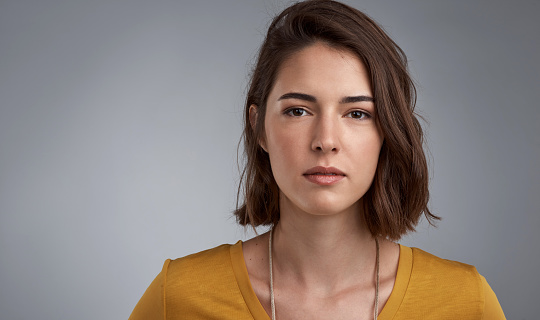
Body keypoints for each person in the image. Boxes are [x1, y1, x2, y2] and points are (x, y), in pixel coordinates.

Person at [129, 1, 506, 319]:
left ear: (387, 132)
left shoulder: (466, 302)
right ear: (259, 127)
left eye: (357, 113)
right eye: (298, 111)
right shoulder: (176, 299)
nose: (326, 141)